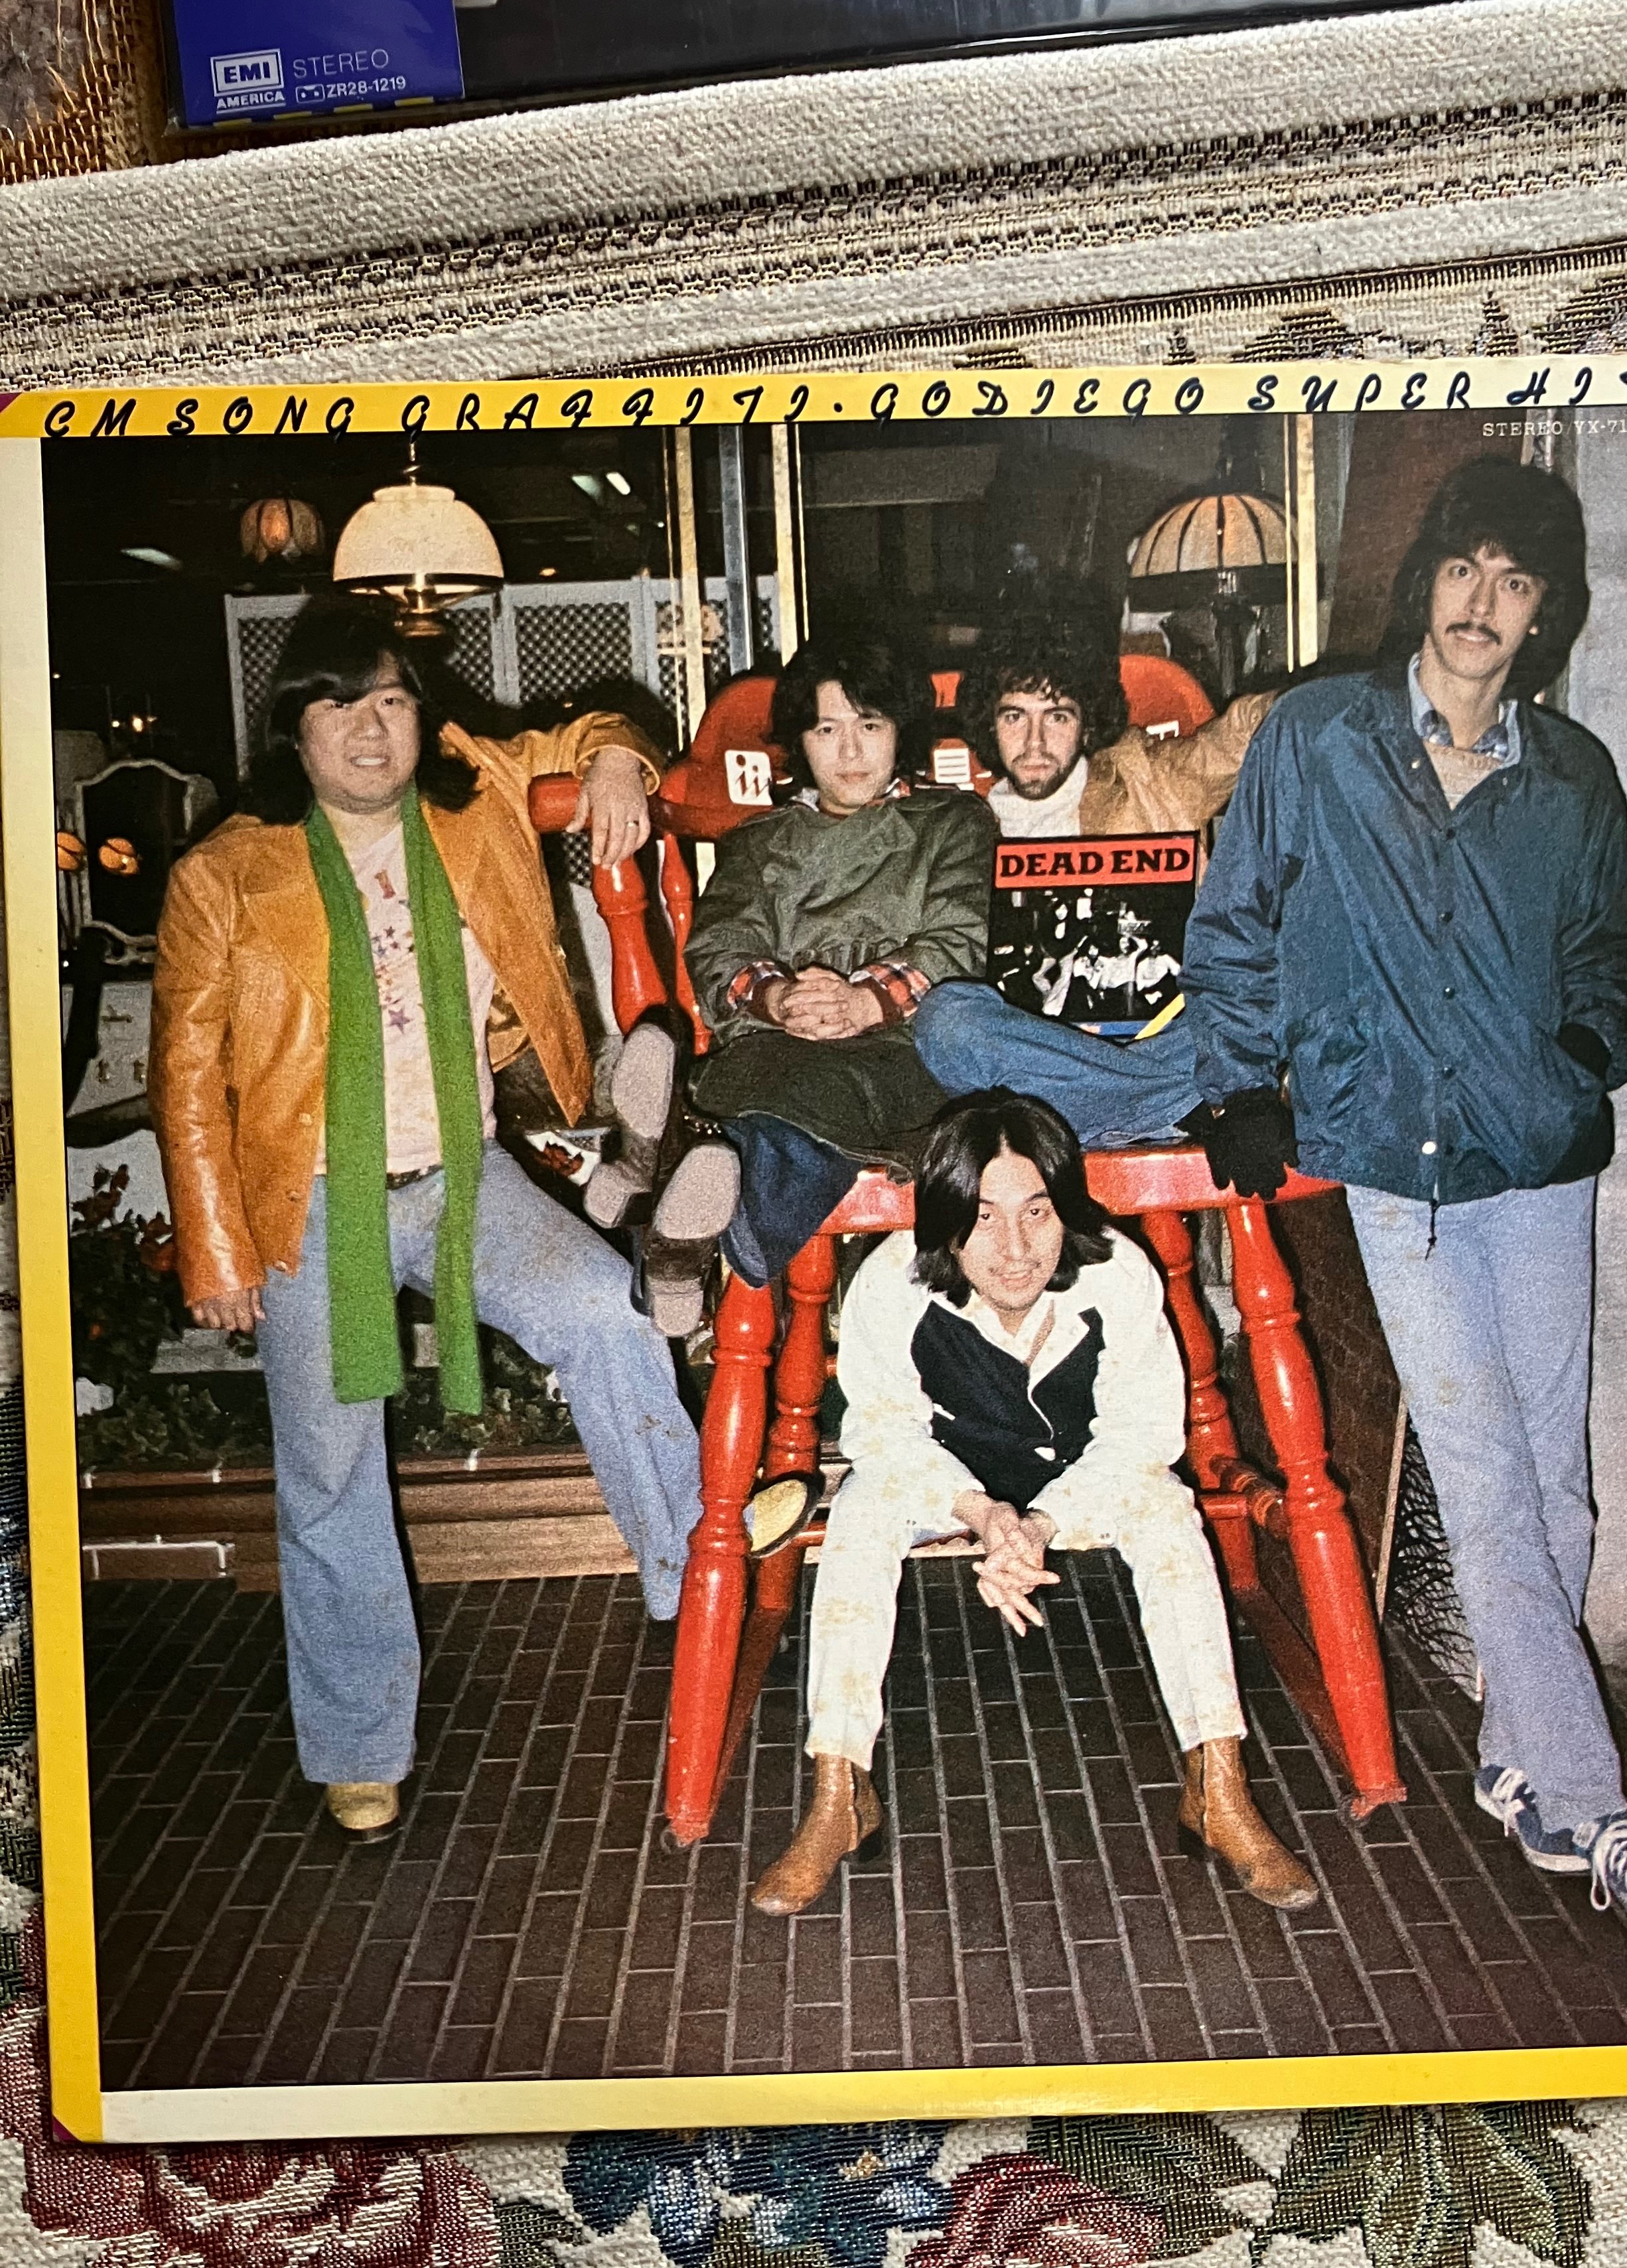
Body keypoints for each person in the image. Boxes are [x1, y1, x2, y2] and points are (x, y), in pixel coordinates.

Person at [911, 459, 1627, 1947]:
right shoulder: (1323, 738)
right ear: (1426, 586)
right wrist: (1243, 1083)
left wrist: (1586, 1045)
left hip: (1537, 1153)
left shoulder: (1575, 772)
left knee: (1559, 1486)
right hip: (1390, 1157)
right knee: (1483, 1477)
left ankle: (1518, 1767)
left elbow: (1605, 952)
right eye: (1461, 571)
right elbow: (1235, 927)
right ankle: (1597, 1813)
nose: (1480, 605)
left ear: (1545, 612)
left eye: (1513, 582)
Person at [149, 595, 703, 1840]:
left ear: (420, 715)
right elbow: (183, 1077)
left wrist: (619, 762)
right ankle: (359, 1743)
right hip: (307, 1200)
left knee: (606, 1312)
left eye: (393, 699)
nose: (371, 728)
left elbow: (597, 728)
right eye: (339, 704)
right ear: (294, 729)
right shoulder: (224, 872)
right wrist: (216, 1249)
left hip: (462, 1172)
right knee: (330, 1466)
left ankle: (696, 1564)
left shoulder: (472, 792)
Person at [750, 1088, 1316, 1918]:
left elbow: (1143, 1435)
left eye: (1037, 1213)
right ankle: (839, 1793)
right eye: (982, 1218)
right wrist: (984, 1515)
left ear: (1065, 1208)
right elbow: (882, 1434)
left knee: (1168, 1514)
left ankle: (1218, 1787)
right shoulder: (893, 1283)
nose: (1014, 1250)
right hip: (948, 1479)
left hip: (1082, 1480)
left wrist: (1042, 1523)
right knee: (863, 1512)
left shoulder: (1116, 1273)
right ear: (946, 1216)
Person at [635, 625, 997, 1330]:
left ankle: (685, 1217)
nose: (850, 752)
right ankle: (698, 1208)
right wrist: (777, 997)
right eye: (827, 729)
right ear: (800, 742)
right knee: (768, 1078)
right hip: (779, 1041)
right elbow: (721, 944)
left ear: (901, 731)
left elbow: (960, 938)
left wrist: (866, 1001)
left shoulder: (952, 822)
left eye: (870, 725)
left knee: (813, 1099)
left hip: (905, 1046)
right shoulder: (759, 842)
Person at [915, 585, 1274, 1085]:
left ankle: (1115, 1096)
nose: (1035, 742)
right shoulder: (960, 829)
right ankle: (1138, 1099)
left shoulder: (1148, 778)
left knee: (1233, 1016)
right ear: (990, 726)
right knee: (948, 1016)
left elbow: (1242, 733)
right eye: (1015, 716)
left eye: (1057, 717)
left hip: (1161, 1037)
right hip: (1042, 1056)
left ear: (1086, 725)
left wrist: (1319, 700)